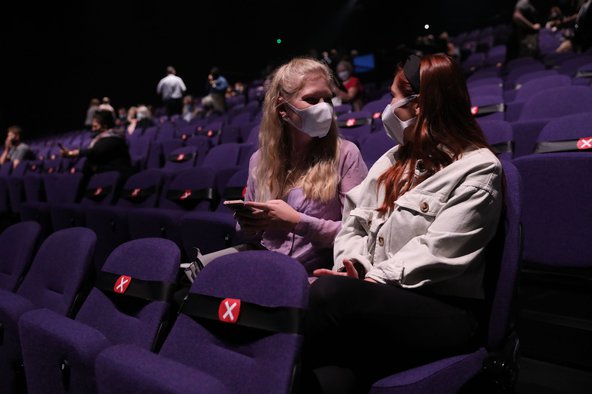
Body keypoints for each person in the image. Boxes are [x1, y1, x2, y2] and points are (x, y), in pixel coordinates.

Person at [301, 53, 503, 393]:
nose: (388, 106)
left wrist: (372, 279)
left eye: (394, 96)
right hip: (378, 299)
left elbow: (439, 252)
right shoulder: (393, 160)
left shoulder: (479, 168)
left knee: (327, 294)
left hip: (442, 308)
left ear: (419, 105)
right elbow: (354, 224)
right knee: (319, 377)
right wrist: (354, 265)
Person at [195, 57, 368, 274]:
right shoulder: (259, 160)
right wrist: (250, 224)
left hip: (312, 276)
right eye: (312, 100)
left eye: (328, 99)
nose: (324, 108)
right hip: (264, 266)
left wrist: (298, 222)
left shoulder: (345, 154)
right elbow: (250, 233)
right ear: (282, 108)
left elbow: (358, 233)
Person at [61, 110, 133, 181]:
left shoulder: (115, 137)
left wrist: (73, 153)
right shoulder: (101, 138)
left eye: (96, 126)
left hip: (116, 175)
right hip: (105, 175)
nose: (93, 129)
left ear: (105, 126)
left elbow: (96, 151)